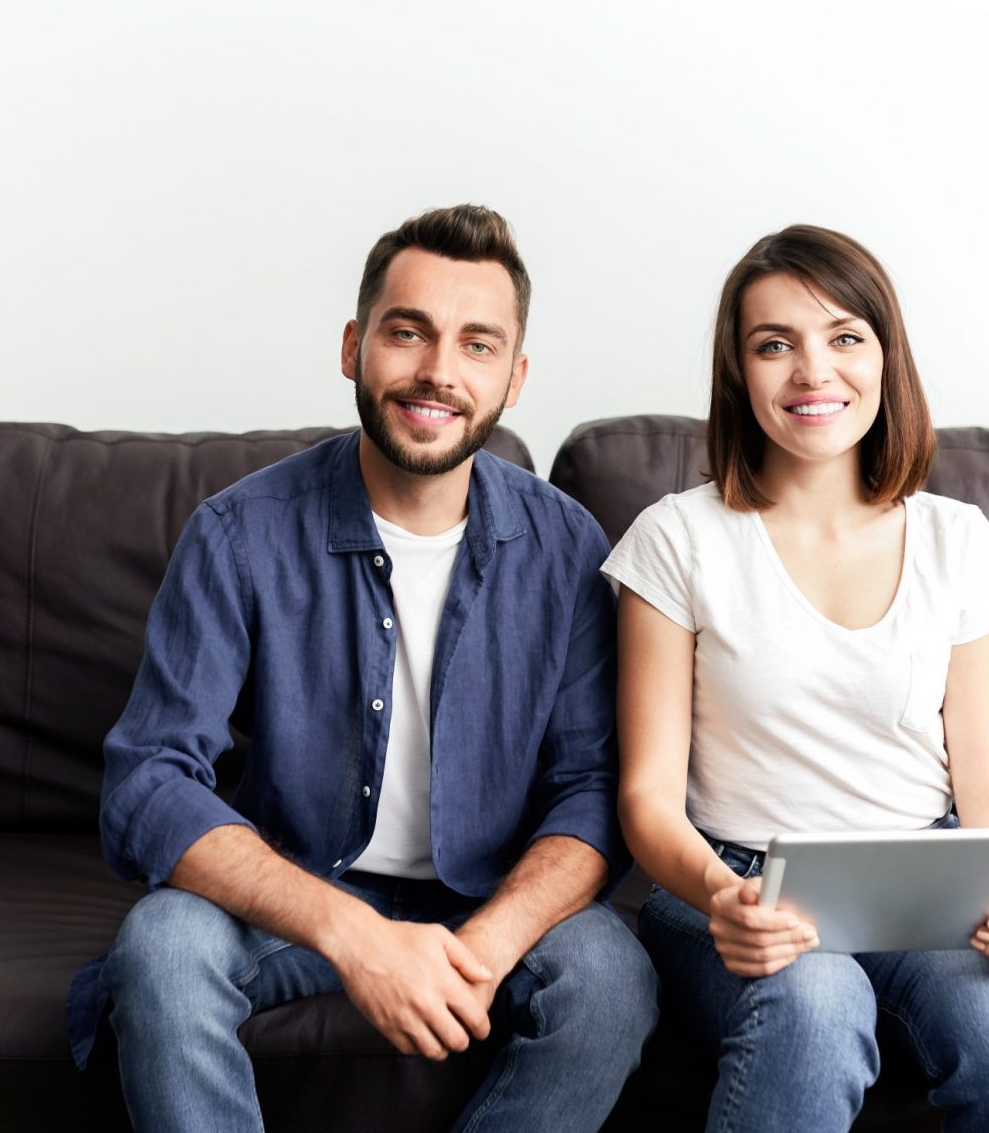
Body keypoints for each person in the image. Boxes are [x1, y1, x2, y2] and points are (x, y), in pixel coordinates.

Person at [65, 204, 658, 1133]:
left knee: (611, 979)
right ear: (354, 347)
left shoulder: (568, 546)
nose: (438, 372)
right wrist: (354, 935)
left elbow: (591, 787)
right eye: (407, 332)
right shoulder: (238, 534)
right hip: (300, 891)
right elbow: (148, 779)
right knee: (162, 950)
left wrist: (491, 942)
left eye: (477, 345)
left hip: (488, 897)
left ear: (514, 377)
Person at [603, 225, 989, 1132]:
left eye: (843, 337)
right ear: (738, 370)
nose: (812, 371)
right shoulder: (675, 539)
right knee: (817, 1015)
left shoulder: (958, 540)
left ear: (884, 358)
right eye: (774, 345)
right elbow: (647, 800)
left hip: (929, 880)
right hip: (737, 879)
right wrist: (726, 898)